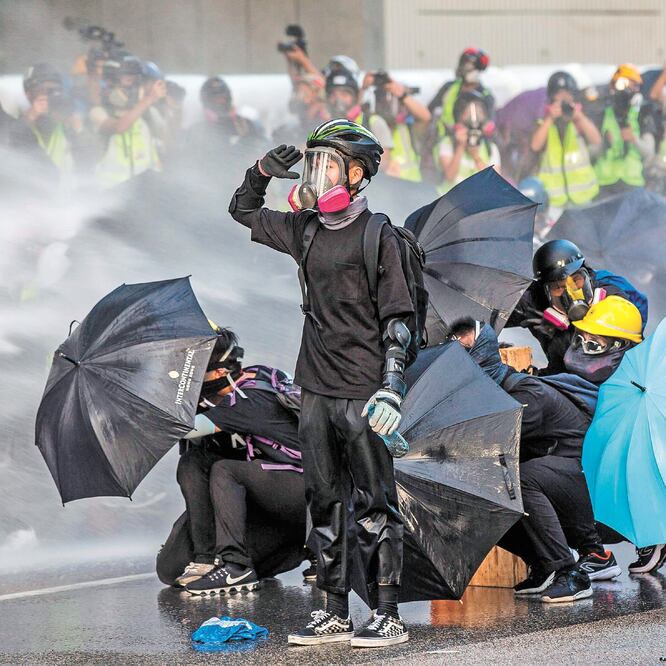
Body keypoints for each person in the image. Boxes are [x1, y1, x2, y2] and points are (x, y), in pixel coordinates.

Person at [229, 119, 414, 647]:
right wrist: (261, 172)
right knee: (324, 500)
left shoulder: (381, 235)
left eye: (327, 163)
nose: (317, 173)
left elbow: (397, 319)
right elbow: (241, 210)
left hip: (365, 390)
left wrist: (392, 388)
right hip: (315, 388)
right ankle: (334, 610)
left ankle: (387, 613)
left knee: (377, 503)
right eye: (314, 162)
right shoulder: (304, 229)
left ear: (356, 173)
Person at [450, 319, 621, 602]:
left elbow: (490, 445)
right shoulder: (497, 395)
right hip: (563, 484)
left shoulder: (527, 395)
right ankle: (545, 565)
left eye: (463, 349)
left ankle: (568, 572)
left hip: (591, 490)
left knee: (521, 479)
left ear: (480, 359)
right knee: (484, 496)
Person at [164, 326, 308, 592]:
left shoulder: (245, 398)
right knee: (169, 568)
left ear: (219, 373)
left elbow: (186, 428)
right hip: (275, 492)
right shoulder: (249, 377)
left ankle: (237, 567)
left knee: (225, 470)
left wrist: (147, 417)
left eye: (195, 377)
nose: (190, 384)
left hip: (308, 496)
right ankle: (207, 559)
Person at [562, 297, 666, 574]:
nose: (584, 349)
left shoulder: (644, 393)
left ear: (620, 348)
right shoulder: (607, 388)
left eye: (593, 344)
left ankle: (654, 531)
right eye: (581, 340)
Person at [506, 239, 647, 375]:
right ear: (545, 291)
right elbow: (495, 310)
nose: (569, 291)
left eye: (576, 280)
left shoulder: (613, 302)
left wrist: (559, 337)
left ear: (587, 276)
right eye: (558, 287)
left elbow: (586, 370)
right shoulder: (537, 300)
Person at [89, 55, 165, 188]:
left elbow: (169, 138)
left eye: (135, 83)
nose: (131, 91)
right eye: (126, 83)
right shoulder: (98, 112)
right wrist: (148, 99)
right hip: (111, 193)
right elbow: (119, 127)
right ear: (110, 84)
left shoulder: (147, 113)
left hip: (144, 192)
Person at [531, 71, 601, 210]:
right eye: (559, 99)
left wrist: (579, 117)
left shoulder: (579, 121)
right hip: (554, 202)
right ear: (551, 100)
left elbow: (596, 140)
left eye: (567, 98)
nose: (563, 104)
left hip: (583, 198)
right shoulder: (544, 122)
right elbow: (535, 146)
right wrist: (550, 118)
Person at [10, 63, 84, 187]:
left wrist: (77, 127)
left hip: (68, 202)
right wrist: (32, 115)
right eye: (43, 90)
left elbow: (89, 160)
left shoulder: (65, 123)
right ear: (28, 94)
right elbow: (9, 145)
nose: (49, 96)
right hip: (29, 201)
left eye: (55, 91)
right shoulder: (15, 122)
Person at [595, 64, 656, 196]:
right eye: (623, 84)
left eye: (633, 85)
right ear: (613, 86)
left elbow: (649, 153)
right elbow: (591, 152)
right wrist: (604, 142)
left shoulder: (643, 114)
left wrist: (634, 140)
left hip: (632, 184)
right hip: (605, 184)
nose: (628, 89)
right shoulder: (602, 113)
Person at [364, 70, 431, 182]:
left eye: (391, 98)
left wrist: (401, 95)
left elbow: (426, 117)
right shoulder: (369, 128)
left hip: (413, 192)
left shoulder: (407, 129)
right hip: (386, 192)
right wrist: (364, 89)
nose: (386, 103)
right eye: (381, 98)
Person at [324, 69, 395, 172]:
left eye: (344, 94)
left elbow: (383, 163)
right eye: (333, 95)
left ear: (354, 97)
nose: (338, 99)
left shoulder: (374, 123)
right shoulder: (325, 127)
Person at [435, 89, 500, 192]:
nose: (474, 117)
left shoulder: (490, 148)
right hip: (451, 202)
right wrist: (460, 147)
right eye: (466, 112)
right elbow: (449, 177)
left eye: (480, 112)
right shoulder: (448, 143)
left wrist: (476, 156)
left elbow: (495, 183)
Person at [429, 47, 494, 139]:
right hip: (445, 139)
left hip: (472, 143)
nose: (465, 68)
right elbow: (430, 110)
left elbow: (490, 123)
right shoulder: (449, 88)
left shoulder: (485, 95)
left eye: (469, 66)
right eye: (464, 64)